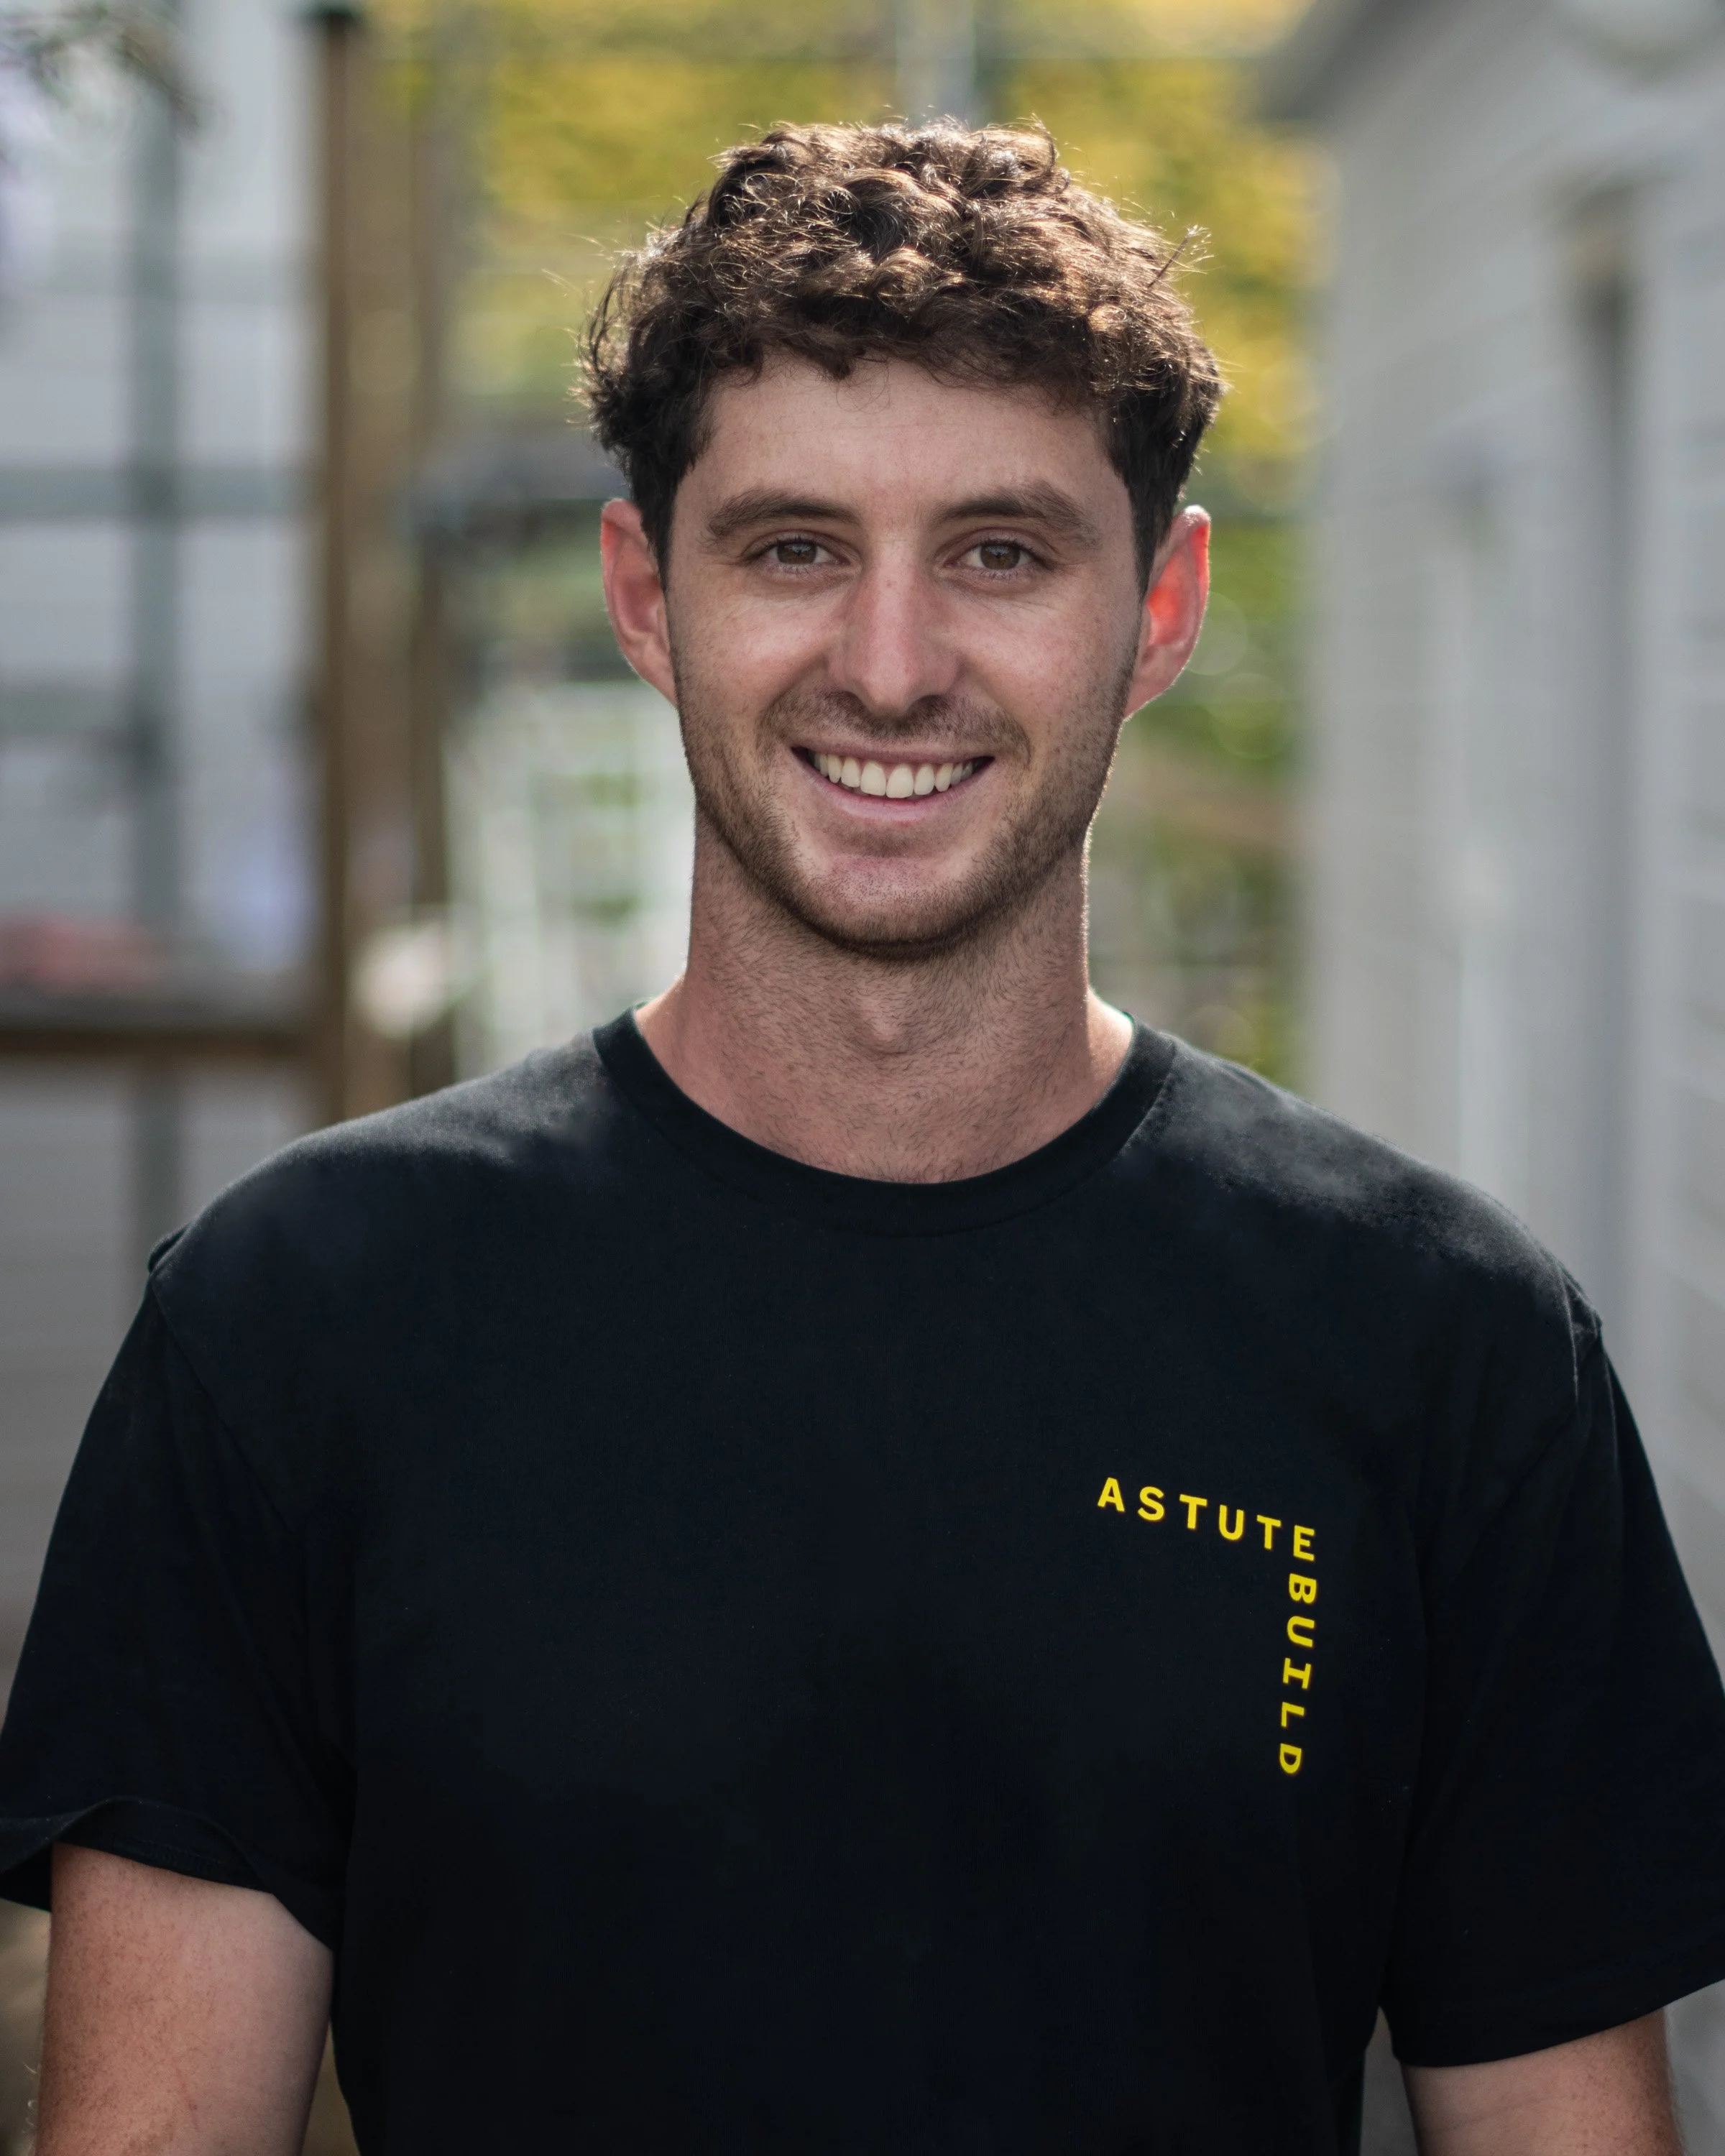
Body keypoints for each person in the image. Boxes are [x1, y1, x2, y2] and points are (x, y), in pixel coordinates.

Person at [1, 121, 1722, 2156]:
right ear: (648, 594)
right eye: (794, 547)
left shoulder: (1445, 1353)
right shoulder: (297, 1326)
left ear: (1156, 610)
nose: (890, 666)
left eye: (1000, 551)